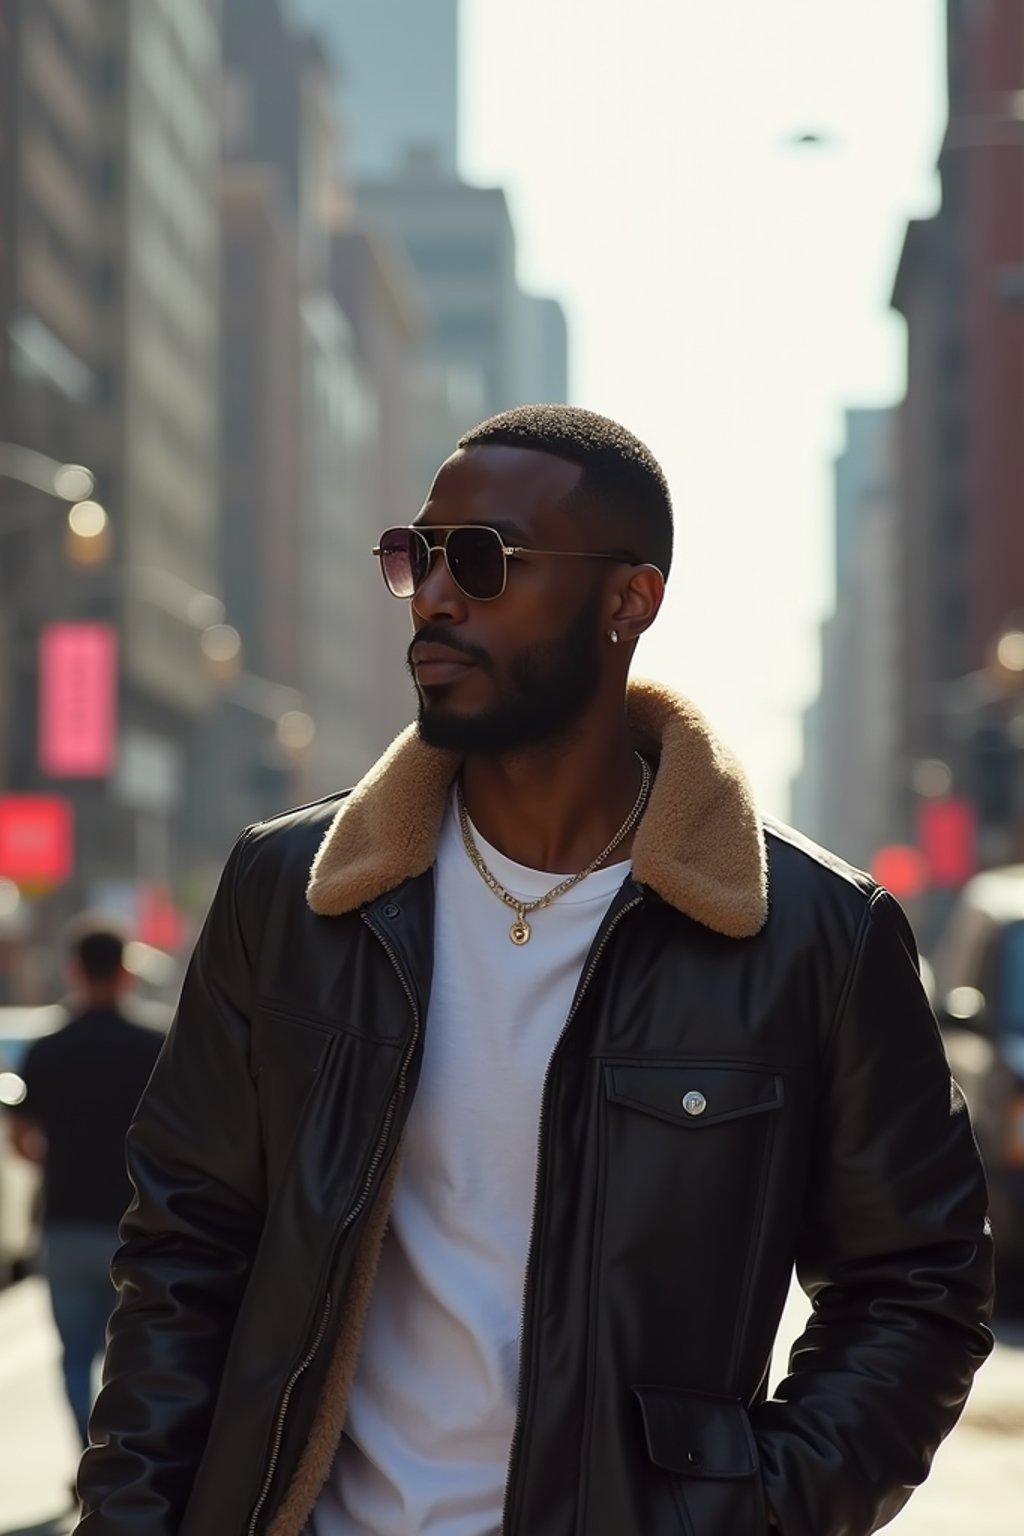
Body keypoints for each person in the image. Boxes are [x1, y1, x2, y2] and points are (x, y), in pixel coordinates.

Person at [76, 406, 992, 1536]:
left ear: (628, 600)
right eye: (416, 556)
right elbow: (183, 1248)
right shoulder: (294, 893)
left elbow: (917, 1285)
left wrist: (749, 1511)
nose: (435, 597)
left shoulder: (813, 936)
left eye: (483, 560)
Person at [8, 917, 163, 1451]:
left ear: (74, 971)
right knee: (136, 1355)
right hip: (138, 1225)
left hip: (66, 1222)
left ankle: (89, 1459)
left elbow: (23, 1138)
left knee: (75, 1355)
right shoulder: (156, 1047)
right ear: (125, 973)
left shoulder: (48, 1048)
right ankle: (125, 1461)